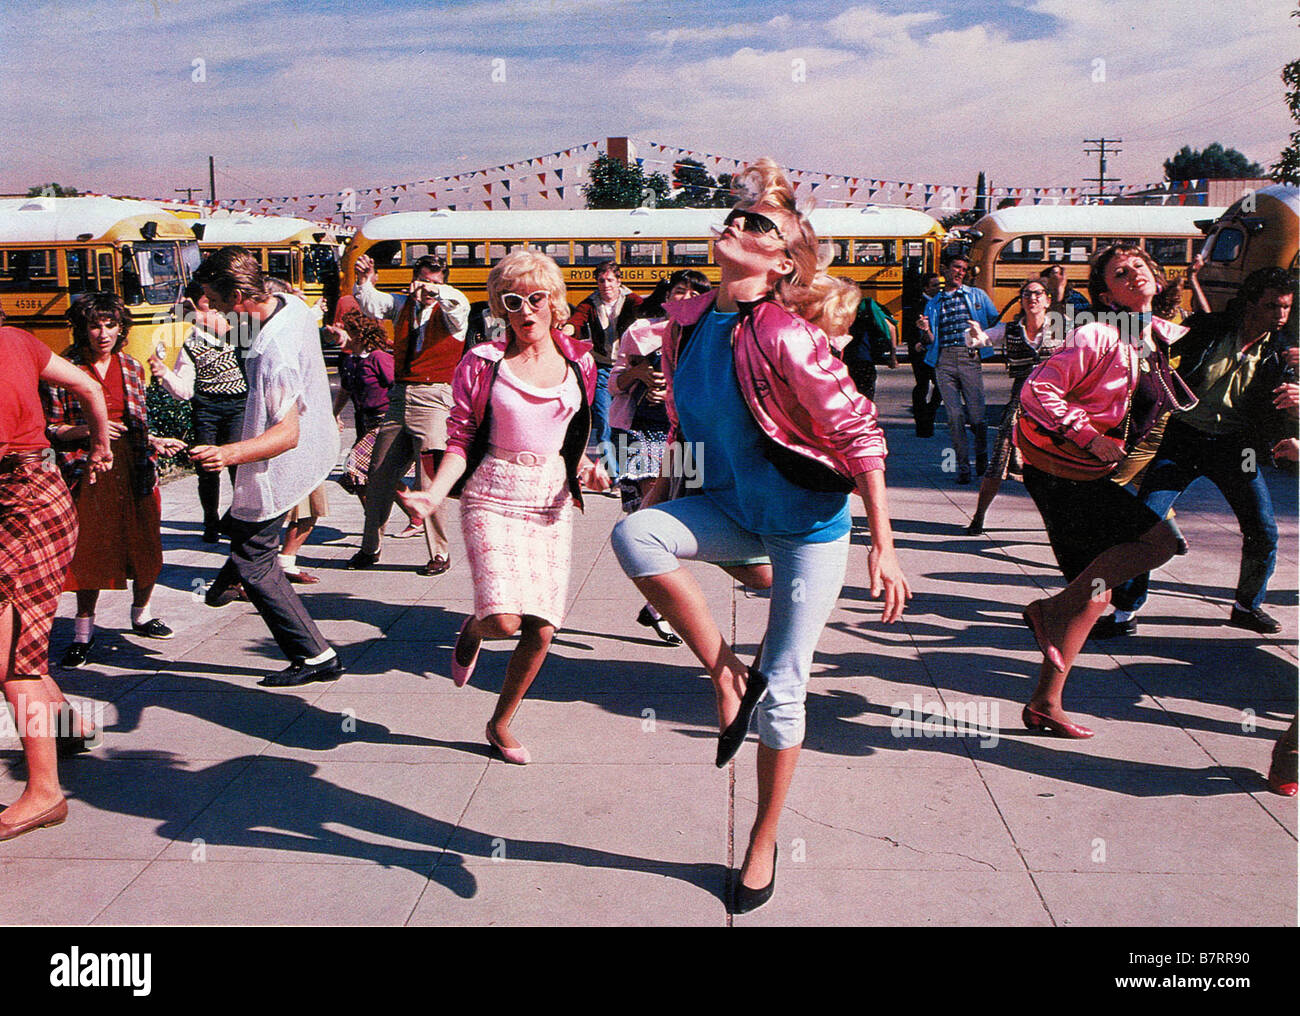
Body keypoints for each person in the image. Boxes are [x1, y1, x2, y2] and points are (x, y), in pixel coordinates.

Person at [609, 159, 909, 915]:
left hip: (808, 527)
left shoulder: (783, 333)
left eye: (759, 225)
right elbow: (681, 432)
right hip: (735, 512)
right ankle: (724, 673)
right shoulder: (684, 331)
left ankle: (763, 841)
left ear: (782, 263)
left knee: (786, 695)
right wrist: (652, 494)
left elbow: (861, 432)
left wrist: (885, 543)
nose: (738, 225)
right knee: (636, 536)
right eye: (736, 217)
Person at [398, 249, 609, 765]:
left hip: (549, 499)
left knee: (542, 628)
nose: (527, 310)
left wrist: (585, 468)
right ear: (501, 308)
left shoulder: (580, 359)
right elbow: (461, 437)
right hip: (492, 492)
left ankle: (499, 722)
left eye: (537, 298)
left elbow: (575, 432)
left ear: (555, 302)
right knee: (505, 622)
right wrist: (433, 493)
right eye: (514, 301)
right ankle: (475, 627)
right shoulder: (483, 362)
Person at [1015, 242, 1198, 739]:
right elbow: (1037, 390)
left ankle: (1044, 703)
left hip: (1086, 471)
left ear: (1157, 279)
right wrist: (1089, 436)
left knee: (1095, 596)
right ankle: (1046, 612)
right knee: (1161, 543)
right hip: (1059, 467)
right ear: (1106, 293)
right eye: (1121, 272)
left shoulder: (1155, 337)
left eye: (1140, 266)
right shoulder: (1099, 333)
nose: (1134, 274)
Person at [1096, 267, 1298, 638]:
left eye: (1286, 307)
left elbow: (1286, 406)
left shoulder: (1283, 351)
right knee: (1145, 521)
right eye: (1272, 306)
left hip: (1237, 448)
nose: (1280, 315)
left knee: (1262, 529)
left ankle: (1247, 606)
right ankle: (1125, 612)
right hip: (1184, 439)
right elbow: (1158, 349)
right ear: (1251, 303)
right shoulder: (1210, 328)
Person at [188, 247, 342, 687]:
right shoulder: (290, 304)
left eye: (216, 302)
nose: (213, 310)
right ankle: (221, 587)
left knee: (255, 560)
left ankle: (316, 655)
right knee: (243, 528)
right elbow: (281, 290)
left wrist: (226, 454)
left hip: (283, 460)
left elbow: (285, 435)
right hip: (315, 442)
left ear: (239, 296)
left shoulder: (270, 352)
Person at [1, 324, 112, 840]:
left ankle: (44, 793)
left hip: (23, 512)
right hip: (42, 499)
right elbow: (89, 387)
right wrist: (101, 447)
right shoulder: (16, 339)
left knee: (12, 659)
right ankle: (70, 727)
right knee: (17, 641)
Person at [43, 293, 187, 669]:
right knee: (89, 552)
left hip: (134, 467)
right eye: (94, 325)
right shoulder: (64, 368)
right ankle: (82, 633)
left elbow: (134, 424)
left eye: (110, 325)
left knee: (145, 545)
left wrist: (155, 440)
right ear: (81, 329)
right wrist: (91, 429)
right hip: (89, 468)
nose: (102, 333)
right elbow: (52, 429)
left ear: (122, 328)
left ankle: (141, 615)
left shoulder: (131, 367)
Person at [348, 253, 470, 575]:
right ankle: (369, 548)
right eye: (424, 280)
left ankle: (439, 554)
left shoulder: (453, 311)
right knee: (379, 474)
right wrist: (364, 279)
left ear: (443, 282)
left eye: (436, 281)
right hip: (400, 396)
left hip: (434, 397)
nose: (429, 287)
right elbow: (373, 304)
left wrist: (435, 292)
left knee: (429, 478)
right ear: (413, 278)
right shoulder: (403, 305)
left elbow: (458, 302)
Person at [608, 270, 712, 646]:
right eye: (678, 291)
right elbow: (613, 383)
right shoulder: (641, 331)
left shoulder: (708, 332)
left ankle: (655, 606)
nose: (685, 297)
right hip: (640, 433)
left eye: (694, 292)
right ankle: (662, 609)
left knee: (679, 523)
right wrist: (637, 373)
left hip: (686, 436)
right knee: (652, 521)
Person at [148, 282, 248, 543]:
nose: (214, 310)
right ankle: (211, 520)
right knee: (207, 468)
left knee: (237, 464)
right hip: (207, 408)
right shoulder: (191, 342)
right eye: (208, 305)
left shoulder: (236, 332)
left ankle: (239, 518)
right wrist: (164, 374)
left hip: (238, 405)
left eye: (216, 306)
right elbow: (184, 389)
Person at [964, 277, 1065, 535]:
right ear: (1021, 301)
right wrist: (974, 336)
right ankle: (979, 516)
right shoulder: (1009, 330)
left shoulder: (1064, 330)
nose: (1033, 298)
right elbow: (980, 340)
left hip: (1055, 407)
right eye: (1027, 294)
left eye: (1038, 294)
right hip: (1020, 405)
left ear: (1048, 300)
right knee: (998, 461)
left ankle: (1061, 524)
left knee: (1061, 467)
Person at [919, 252, 999, 483]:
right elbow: (930, 340)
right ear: (945, 269)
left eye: (964, 269)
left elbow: (995, 322)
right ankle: (963, 467)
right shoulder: (934, 303)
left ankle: (981, 452)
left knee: (977, 416)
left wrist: (982, 335)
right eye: (956, 267)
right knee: (954, 416)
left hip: (969, 357)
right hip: (943, 360)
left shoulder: (977, 296)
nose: (960, 272)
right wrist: (924, 330)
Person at [563, 261, 642, 483]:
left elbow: (647, 313)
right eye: (601, 281)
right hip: (602, 369)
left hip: (629, 369)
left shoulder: (633, 301)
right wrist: (567, 329)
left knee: (629, 422)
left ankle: (630, 471)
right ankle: (613, 475)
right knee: (603, 421)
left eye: (610, 280)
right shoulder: (590, 304)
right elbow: (576, 321)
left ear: (619, 281)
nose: (606, 285)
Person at [839, 287, 898, 402]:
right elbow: (891, 328)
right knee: (865, 401)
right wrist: (893, 356)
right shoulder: (866, 309)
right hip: (864, 361)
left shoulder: (838, 312)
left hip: (845, 363)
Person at [905, 272, 943, 436]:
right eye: (934, 285)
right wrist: (916, 344)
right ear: (926, 287)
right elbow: (910, 327)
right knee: (922, 384)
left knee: (940, 384)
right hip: (921, 351)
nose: (938, 288)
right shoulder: (918, 304)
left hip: (936, 349)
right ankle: (922, 421)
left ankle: (929, 413)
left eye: (939, 285)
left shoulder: (940, 302)